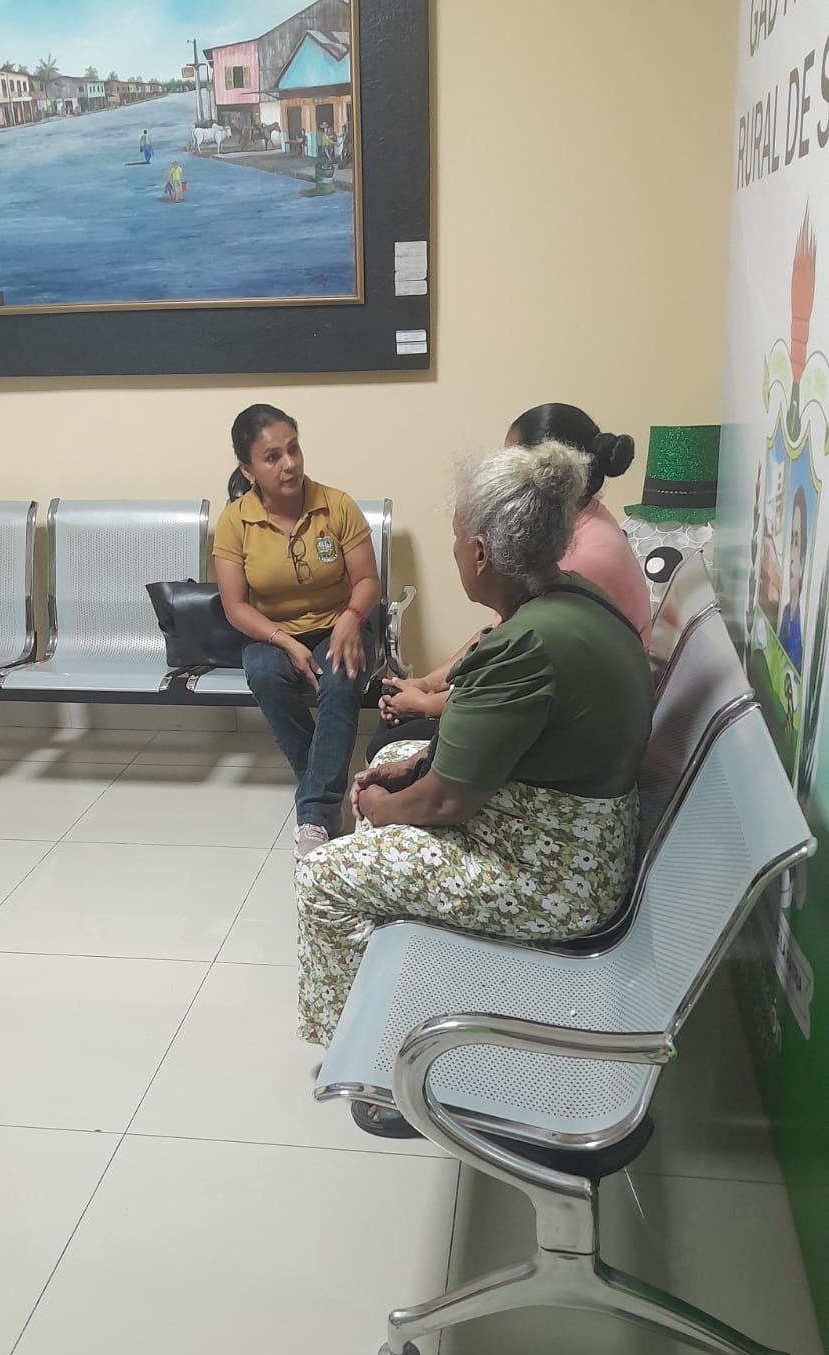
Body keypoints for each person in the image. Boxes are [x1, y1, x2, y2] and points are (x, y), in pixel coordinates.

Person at [296, 441, 654, 1136]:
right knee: (396, 755)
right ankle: (406, 998)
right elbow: (486, 739)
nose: (455, 550)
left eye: (458, 537)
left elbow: (448, 802)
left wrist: (382, 806)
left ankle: (374, 1067)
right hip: (578, 836)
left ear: (483, 553)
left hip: (556, 880)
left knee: (324, 877)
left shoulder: (526, 645)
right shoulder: (569, 599)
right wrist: (407, 773)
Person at [367, 402, 651, 761]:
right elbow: (497, 637)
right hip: (550, 696)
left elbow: (517, 675)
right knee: (394, 728)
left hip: (580, 724)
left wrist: (427, 704)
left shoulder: (580, 556)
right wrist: (428, 683)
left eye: (508, 463)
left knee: (392, 741)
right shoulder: (573, 528)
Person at [214, 404, 380, 857]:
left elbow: (368, 580)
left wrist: (351, 619)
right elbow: (234, 606)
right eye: (272, 457)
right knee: (266, 674)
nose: (289, 464)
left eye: (294, 449)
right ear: (247, 470)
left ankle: (315, 817)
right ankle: (324, 788)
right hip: (270, 632)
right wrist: (284, 641)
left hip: (339, 623)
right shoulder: (235, 522)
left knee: (341, 677)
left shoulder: (336, 505)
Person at [778, 486, 807, 672]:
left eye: (796, 542)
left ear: (803, 559)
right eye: (791, 541)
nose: (791, 558)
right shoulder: (785, 614)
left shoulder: (805, 630)